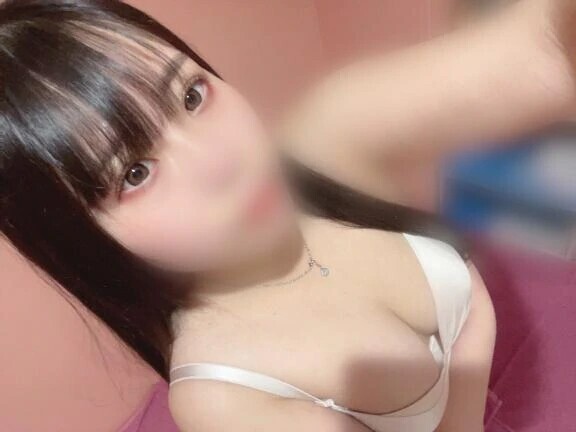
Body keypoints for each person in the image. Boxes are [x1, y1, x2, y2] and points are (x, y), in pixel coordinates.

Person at [0, 0, 574, 430]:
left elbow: (546, 49)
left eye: (191, 96)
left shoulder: (328, 139)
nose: (223, 160)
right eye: (134, 173)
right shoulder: (226, 396)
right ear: (82, 239)